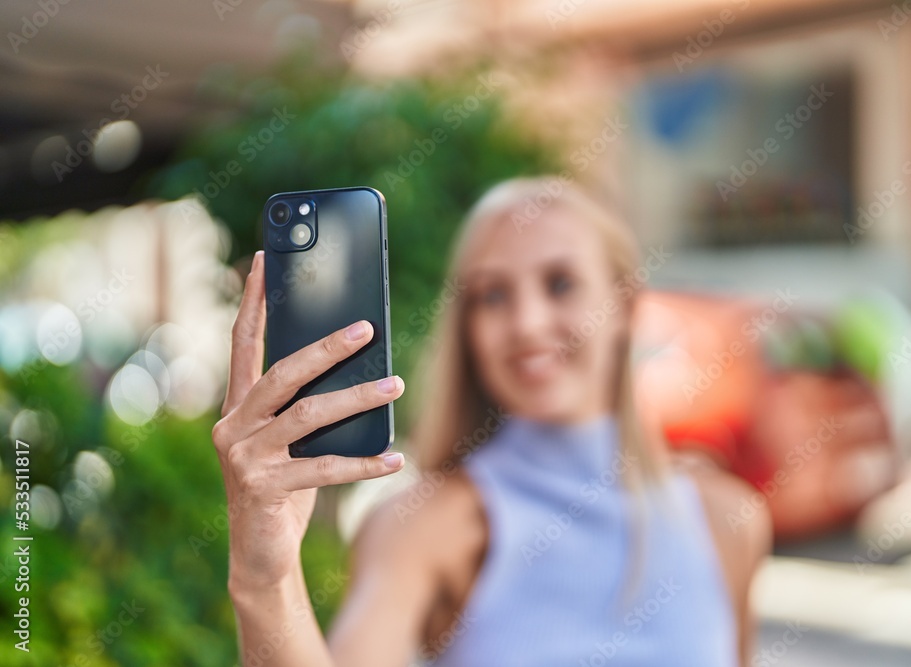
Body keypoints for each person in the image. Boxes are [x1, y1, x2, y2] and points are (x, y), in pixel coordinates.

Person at [211, 177, 771, 666]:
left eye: (560, 284)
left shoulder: (730, 519)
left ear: (625, 304)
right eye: (493, 295)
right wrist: (266, 583)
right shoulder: (421, 526)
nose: (527, 324)